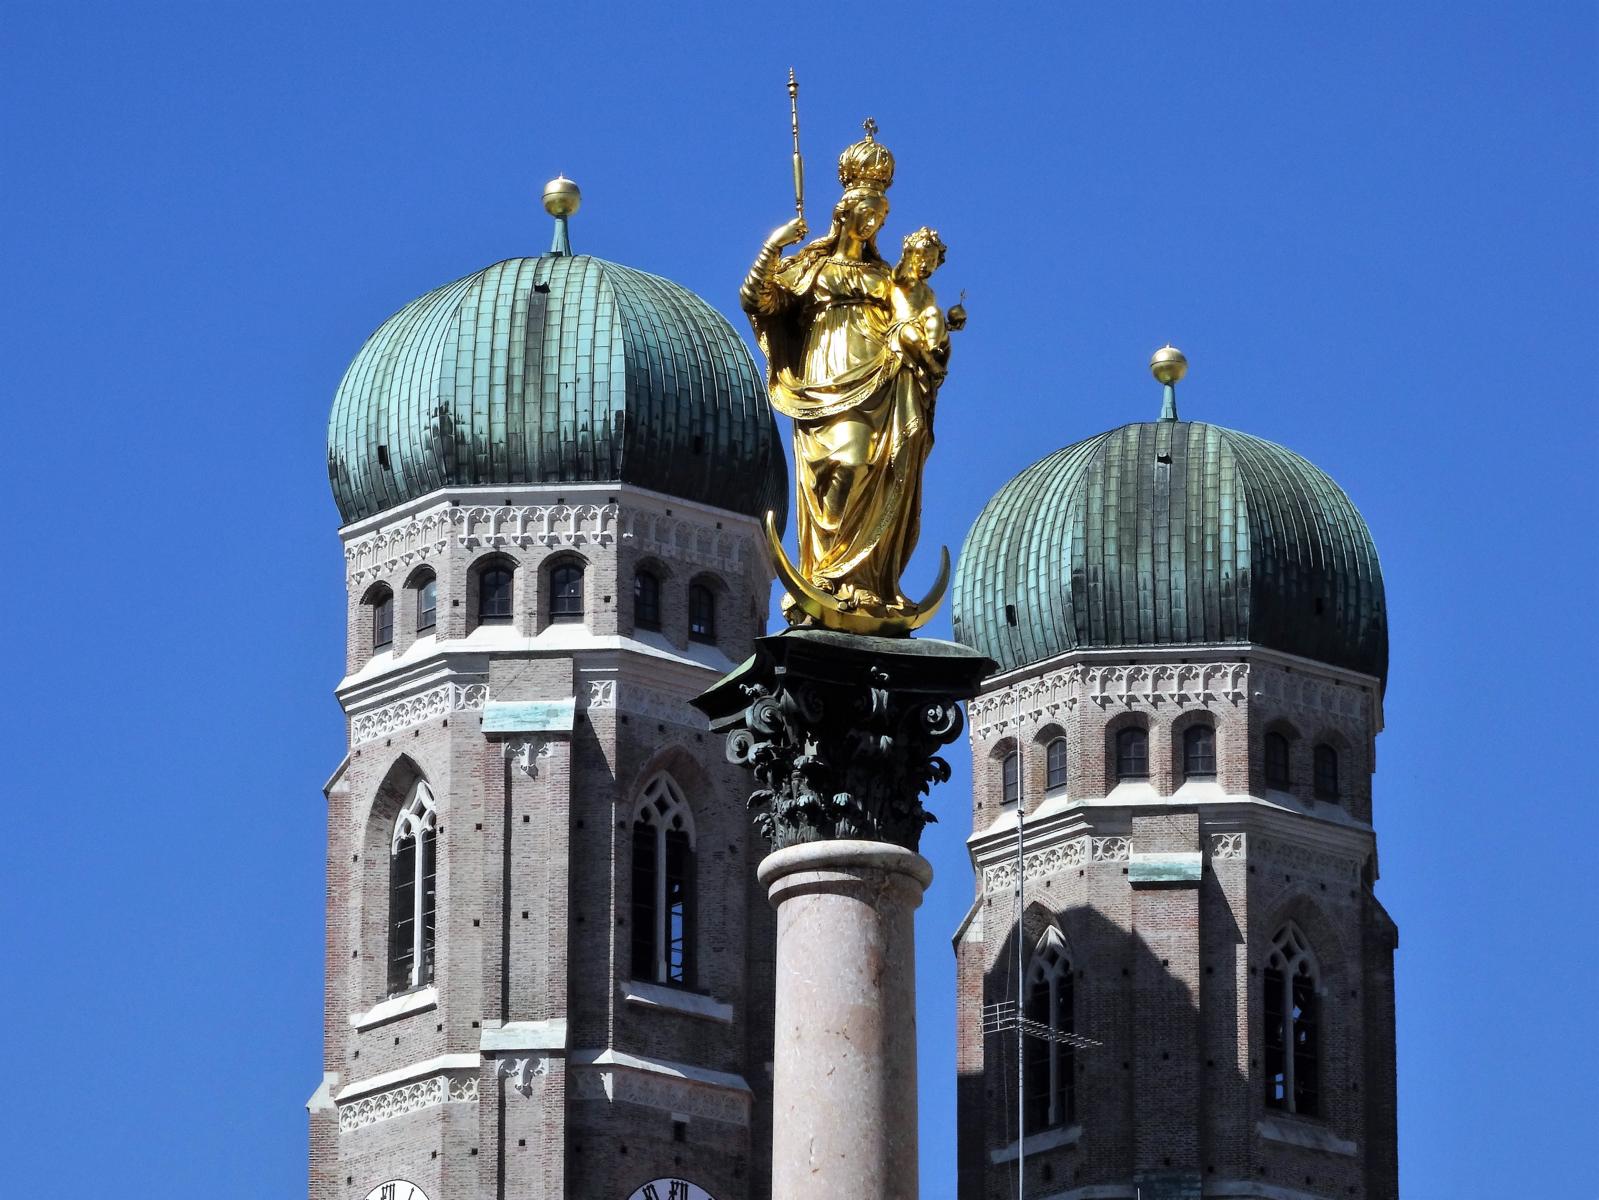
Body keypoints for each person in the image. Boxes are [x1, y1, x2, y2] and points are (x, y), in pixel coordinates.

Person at [740, 125, 951, 623]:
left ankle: (868, 583)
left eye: (881, 216)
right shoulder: (810, 270)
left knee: (885, 465)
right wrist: (773, 246)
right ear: (844, 214)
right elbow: (757, 299)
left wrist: (930, 342)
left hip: (884, 376)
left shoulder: (885, 277)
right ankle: (826, 574)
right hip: (827, 375)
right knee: (846, 463)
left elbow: (917, 315)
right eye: (867, 213)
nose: (874, 223)